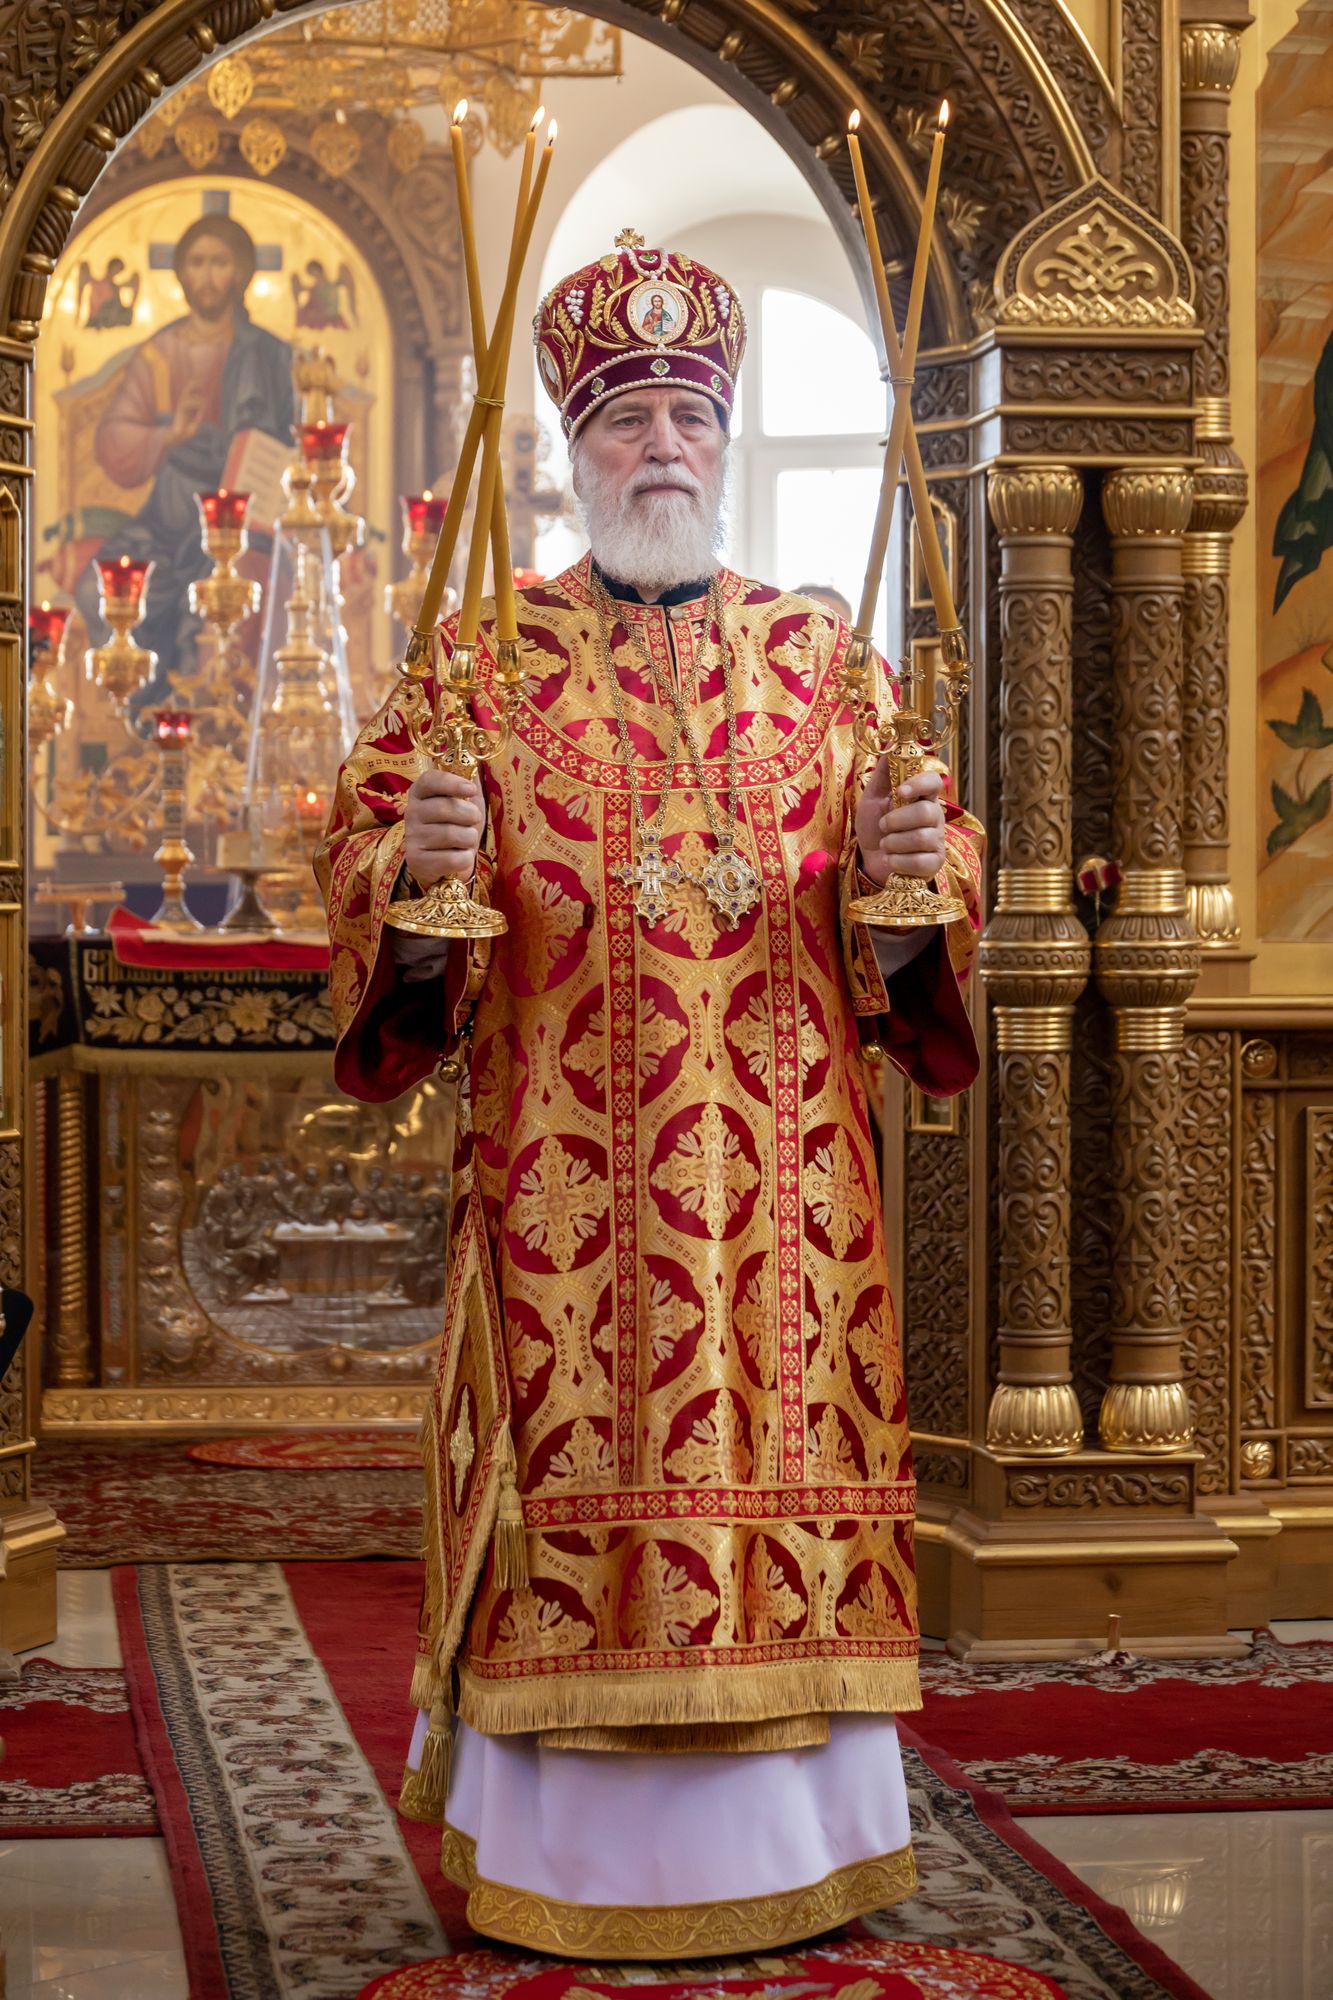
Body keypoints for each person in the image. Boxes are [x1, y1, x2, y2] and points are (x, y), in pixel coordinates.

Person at [316, 234, 984, 1957]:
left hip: (787, 1223)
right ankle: (572, 1862)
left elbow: (920, 916)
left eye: (689, 414)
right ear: (574, 447)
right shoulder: (478, 664)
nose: (662, 445)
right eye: (627, 419)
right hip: (569, 1208)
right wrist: (416, 867)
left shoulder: (826, 660)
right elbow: (369, 883)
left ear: (725, 434)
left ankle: (801, 1846)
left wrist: (909, 874)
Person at [84, 214, 294, 679]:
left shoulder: (270, 355)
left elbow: (293, 444)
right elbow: (115, 438)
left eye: (220, 262)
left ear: (240, 271)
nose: (208, 275)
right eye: (197, 263)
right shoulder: (158, 355)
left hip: (243, 524)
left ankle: (224, 707)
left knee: (245, 592)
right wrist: (169, 436)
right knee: (93, 588)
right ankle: (144, 709)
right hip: (168, 519)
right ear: (181, 272)